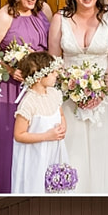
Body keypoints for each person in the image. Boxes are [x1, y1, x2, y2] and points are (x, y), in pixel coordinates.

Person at [49, 0, 108, 193]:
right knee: (71, 150)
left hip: (107, 96)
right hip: (68, 96)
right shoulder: (60, 18)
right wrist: (70, 91)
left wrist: (99, 92)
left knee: (106, 152)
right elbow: (55, 61)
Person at [0, 0, 52, 193]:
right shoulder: (5, 16)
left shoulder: (44, 11)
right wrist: (9, 69)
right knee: (11, 140)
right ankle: (8, 186)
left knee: (40, 137)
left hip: (39, 88)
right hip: (12, 88)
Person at [12, 51, 67, 193]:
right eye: (53, 71)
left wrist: (63, 126)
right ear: (39, 76)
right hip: (35, 157)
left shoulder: (54, 93)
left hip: (54, 153)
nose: (56, 74)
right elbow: (19, 135)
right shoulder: (28, 103)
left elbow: (60, 114)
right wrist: (47, 136)